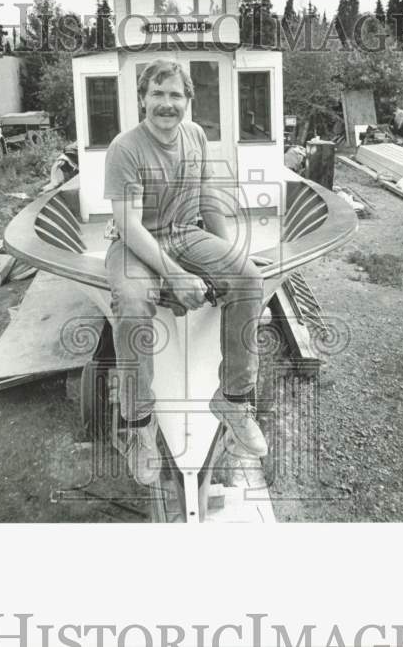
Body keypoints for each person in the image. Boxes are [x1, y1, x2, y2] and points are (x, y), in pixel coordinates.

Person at [103, 59, 267, 485]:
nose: (166, 104)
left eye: (176, 95)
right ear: (142, 98)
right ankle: (139, 426)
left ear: (188, 101)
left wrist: (228, 256)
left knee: (249, 278)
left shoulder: (195, 136)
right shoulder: (125, 148)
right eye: (157, 94)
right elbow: (129, 225)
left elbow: (208, 198)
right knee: (135, 302)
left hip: (184, 234)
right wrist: (174, 275)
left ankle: (233, 401)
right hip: (135, 244)